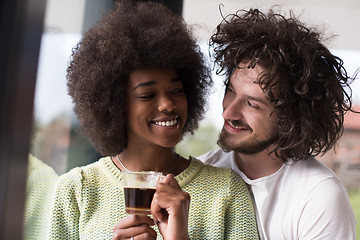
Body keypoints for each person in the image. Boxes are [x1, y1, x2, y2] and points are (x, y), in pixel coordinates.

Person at [48, 1, 259, 239]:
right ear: (114, 105)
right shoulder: (77, 190)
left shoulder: (226, 191)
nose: (168, 104)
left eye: (177, 91)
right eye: (147, 95)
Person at [199, 7, 357, 240]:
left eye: (252, 104)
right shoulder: (203, 172)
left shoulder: (318, 196)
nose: (229, 112)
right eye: (231, 91)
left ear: (291, 118)